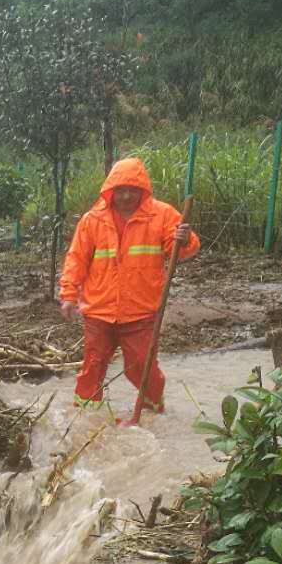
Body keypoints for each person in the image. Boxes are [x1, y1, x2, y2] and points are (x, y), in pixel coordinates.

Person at [59, 157, 199, 412]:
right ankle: (86, 416)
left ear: (142, 190)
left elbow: (180, 249)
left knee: (142, 368)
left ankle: (153, 411)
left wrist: (185, 239)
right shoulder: (92, 220)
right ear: (110, 190)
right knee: (92, 368)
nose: (125, 196)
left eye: (131, 190)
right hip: (99, 311)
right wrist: (68, 294)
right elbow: (76, 258)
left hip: (141, 312)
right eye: (120, 190)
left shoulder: (163, 214)